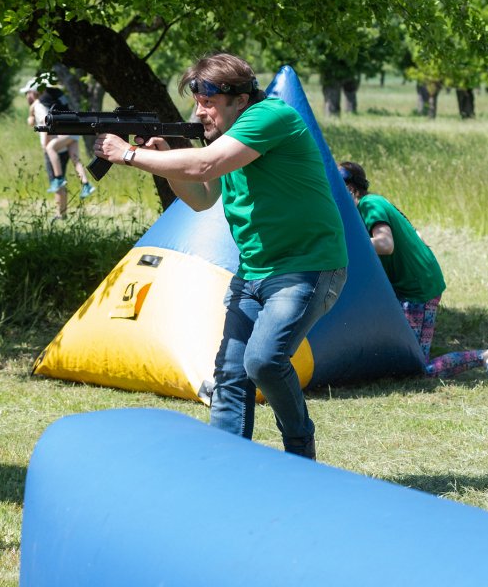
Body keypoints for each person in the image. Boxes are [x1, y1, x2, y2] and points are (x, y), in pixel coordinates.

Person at [92, 53, 348, 459]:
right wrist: (163, 161)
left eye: (208, 102)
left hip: (306, 267)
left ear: (240, 100)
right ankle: (226, 467)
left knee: (263, 361)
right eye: (197, 102)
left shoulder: (270, 118)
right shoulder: (229, 138)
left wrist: (129, 154)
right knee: (230, 375)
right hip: (253, 272)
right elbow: (200, 196)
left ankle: (300, 449)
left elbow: (205, 165)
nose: (200, 111)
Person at [338, 161, 488, 380]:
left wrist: (346, 243)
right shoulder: (371, 206)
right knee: (398, 355)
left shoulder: (369, 204)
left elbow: (385, 244)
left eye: (336, 191)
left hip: (418, 289)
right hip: (411, 285)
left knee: (418, 368)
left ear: (350, 189)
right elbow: (418, 235)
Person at [24, 86, 87, 218]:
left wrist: (46, 145)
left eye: (27, 93)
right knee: (65, 174)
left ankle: (60, 213)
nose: (26, 96)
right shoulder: (48, 103)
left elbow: (46, 126)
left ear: (32, 93)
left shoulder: (39, 106)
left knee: (56, 180)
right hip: (64, 142)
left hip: (55, 147)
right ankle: (62, 212)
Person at [34, 86, 95, 198]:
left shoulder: (45, 96)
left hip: (68, 129)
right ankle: (86, 185)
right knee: (75, 159)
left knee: (50, 148)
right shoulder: (58, 93)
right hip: (75, 126)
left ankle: (58, 178)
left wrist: (46, 141)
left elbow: (46, 118)